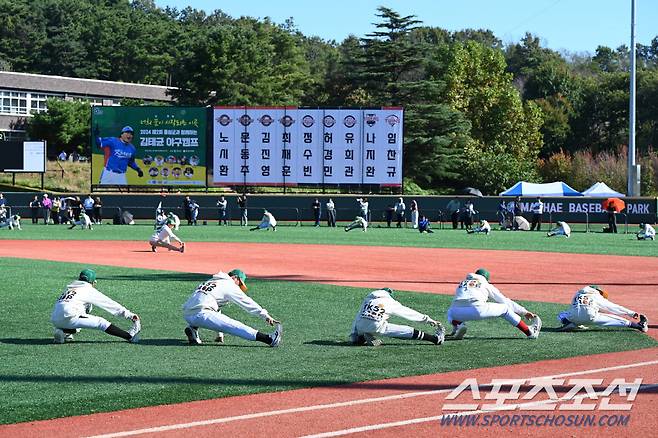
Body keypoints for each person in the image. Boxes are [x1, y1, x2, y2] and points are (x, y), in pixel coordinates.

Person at [181, 269, 282, 347]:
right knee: (235, 326)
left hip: (188, 314)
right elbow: (247, 302)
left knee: (210, 310)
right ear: (235, 278)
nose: (239, 287)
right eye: (240, 283)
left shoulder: (211, 281)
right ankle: (270, 339)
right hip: (202, 314)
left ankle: (193, 329)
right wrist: (265, 315)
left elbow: (216, 310)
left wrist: (219, 335)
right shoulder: (229, 284)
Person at [446, 269, 542, 340]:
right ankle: (529, 332)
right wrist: (524, 311)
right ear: (486, 279)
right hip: (477, 309)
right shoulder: (485, 284)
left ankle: (458, 326)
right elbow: (505, 301)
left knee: (450, 311)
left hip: (456, 312)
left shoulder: (462, 283)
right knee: (505, 309)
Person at [50, 269, 141, 344]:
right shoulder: (87, 289)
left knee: (82, 313)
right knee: (101, 322)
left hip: (55, 319)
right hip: (70, 317)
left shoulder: (69, 288)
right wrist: (129, 314)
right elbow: (109, 304)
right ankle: (129, 336)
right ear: (92, 282)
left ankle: (63, 332)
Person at [349, 288, 444, 347]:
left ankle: (361, 337)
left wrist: (353, 334)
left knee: (364, 320)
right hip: (377, 327)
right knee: (406, 330)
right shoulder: (390, 302)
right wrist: (428, 320)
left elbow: (358, 316)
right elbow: (409, 313)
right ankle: (436, 339)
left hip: (360, 326)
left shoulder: (368, 300)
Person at [557, 285, 648, 333]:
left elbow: (575, 307)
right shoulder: (596, 296)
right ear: (598, 291)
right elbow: (613, 307)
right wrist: (631, 313)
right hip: (590, 317)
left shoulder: (577, 294)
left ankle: (571, 324)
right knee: (615, 319)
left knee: (561, 315)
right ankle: (640, 326)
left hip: (573, 317)